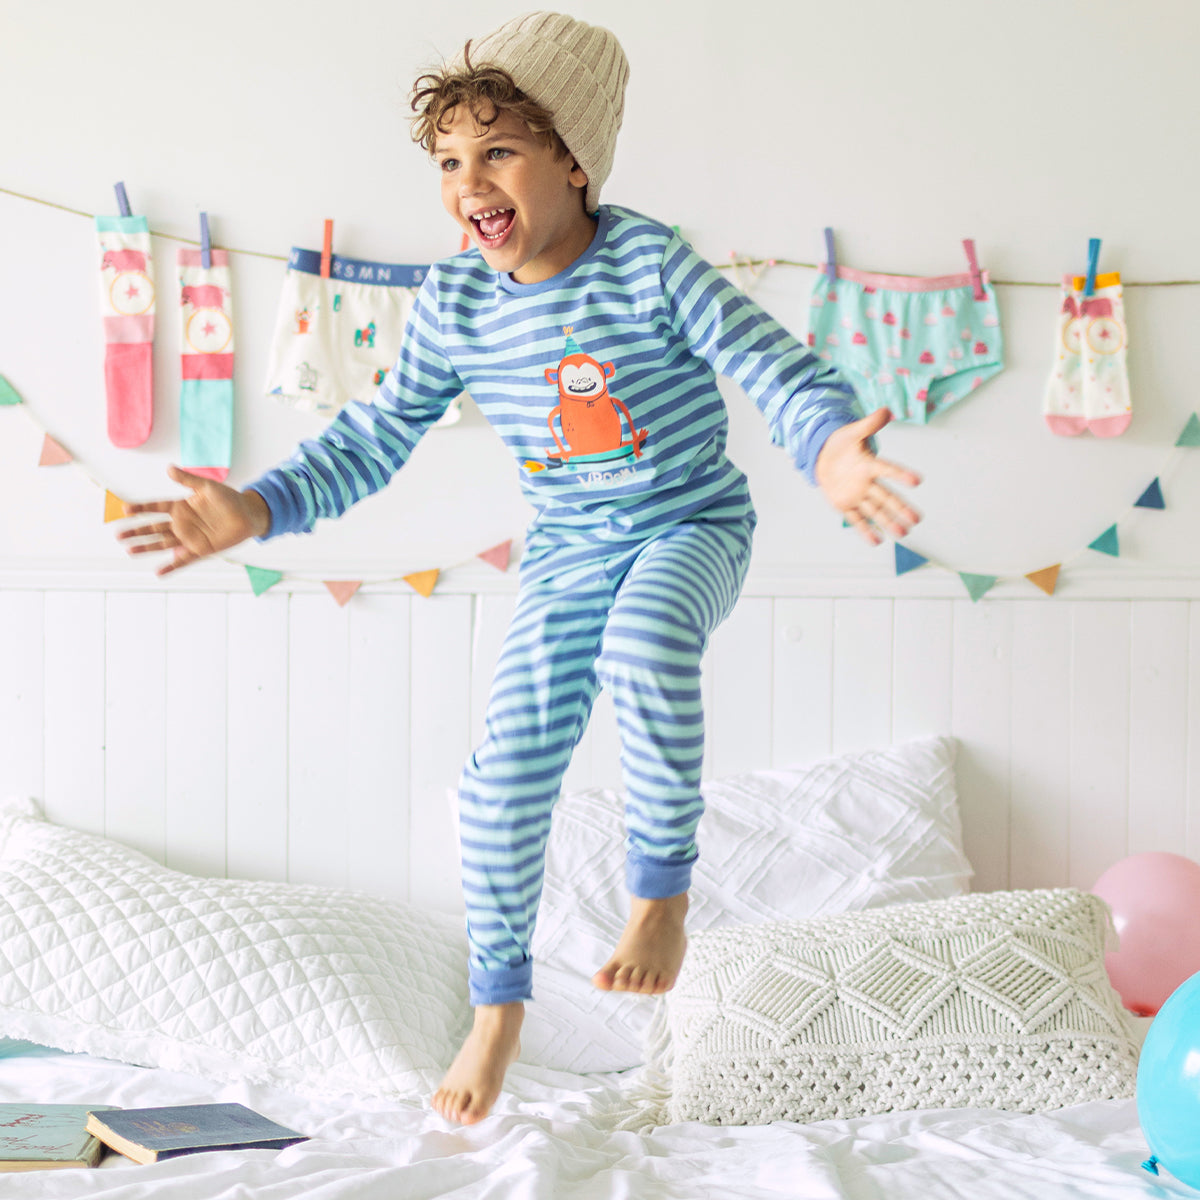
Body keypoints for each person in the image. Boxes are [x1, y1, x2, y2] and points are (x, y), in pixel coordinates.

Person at [118, 10, 921, 1126]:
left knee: (647, 647)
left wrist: (831, 445)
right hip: (566, 555)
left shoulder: (647, 261)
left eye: (498, 151)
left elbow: (763, 358)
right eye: (450, 161)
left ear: (574, 162)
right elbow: (374, 438)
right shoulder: (454, 301)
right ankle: (497, 1008)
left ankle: (661, 894)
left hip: (689, 524)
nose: (468, 184)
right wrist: (256, 506)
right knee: (499, 784)